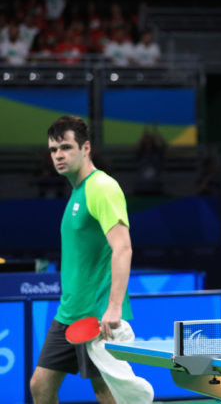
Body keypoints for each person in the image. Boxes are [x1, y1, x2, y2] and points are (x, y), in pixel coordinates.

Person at [30, 116, 133, 403]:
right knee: (40, 385)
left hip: (97, 315)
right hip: (69, 313)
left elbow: (122, 248)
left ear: (86, 148)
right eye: (53, 150)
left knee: (106, 391)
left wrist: (113, 308)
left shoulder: (102, 187)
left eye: (65, 147)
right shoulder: (78, 191)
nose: (58, 155)